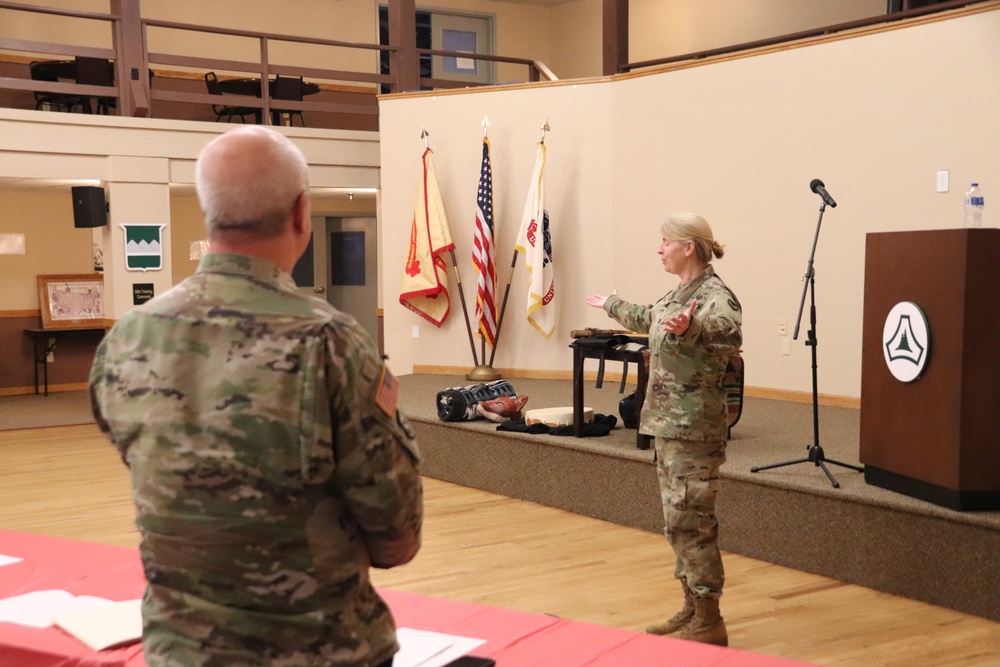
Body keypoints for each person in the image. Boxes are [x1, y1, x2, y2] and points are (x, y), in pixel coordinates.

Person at [90, 126, 423, 667]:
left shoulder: (128, 337)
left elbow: (152, 467)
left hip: (181, 651)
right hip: (321, 653)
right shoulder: (332, 344)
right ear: (301, 214)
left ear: (208, 213)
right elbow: (396, 537)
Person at [585, 212, 741, 647]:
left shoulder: (714, 296)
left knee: (694, 521)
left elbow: (728, 333)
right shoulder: (679, 294)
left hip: (695, 428)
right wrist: (610, 305)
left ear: (688, 247)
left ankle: (710, 618)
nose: (659, 249)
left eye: (665, 242)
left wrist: (693, 328)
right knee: (677, 521)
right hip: (670, 427)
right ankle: (692, 607)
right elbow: (648, 315)